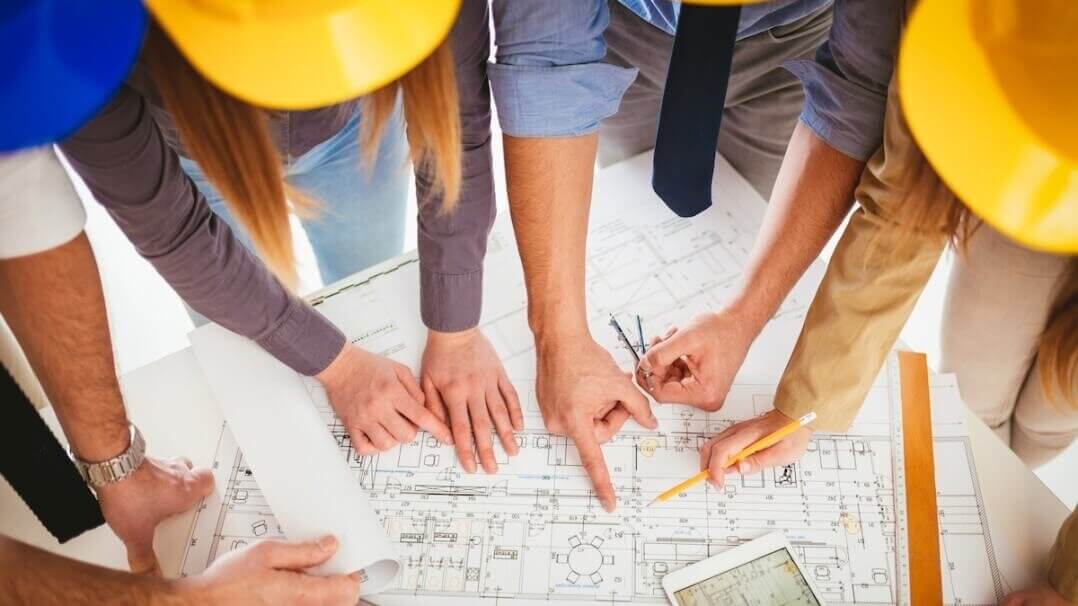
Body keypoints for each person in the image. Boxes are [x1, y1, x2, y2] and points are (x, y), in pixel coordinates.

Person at [638, 0, 1077, 602]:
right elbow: (909, 200)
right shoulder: (964, 28)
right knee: (980, 392)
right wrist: (805, 404)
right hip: (1034, 126)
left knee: (1055, 409)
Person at [450, 0, 899, 510]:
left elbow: (858, 93)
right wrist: (560, 336)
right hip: (626, 28)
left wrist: (742, 319)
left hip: (792, 42)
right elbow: (548, 61)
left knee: (741, 217)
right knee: (629, 192)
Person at [60, 1, 524, 474]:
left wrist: (456, 332)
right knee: (238, 347)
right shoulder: (80, 23)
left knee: (367, 282)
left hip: (359, 130)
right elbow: (177, 235)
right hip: (195, 157)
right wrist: (338, 366)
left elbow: (456, 129)